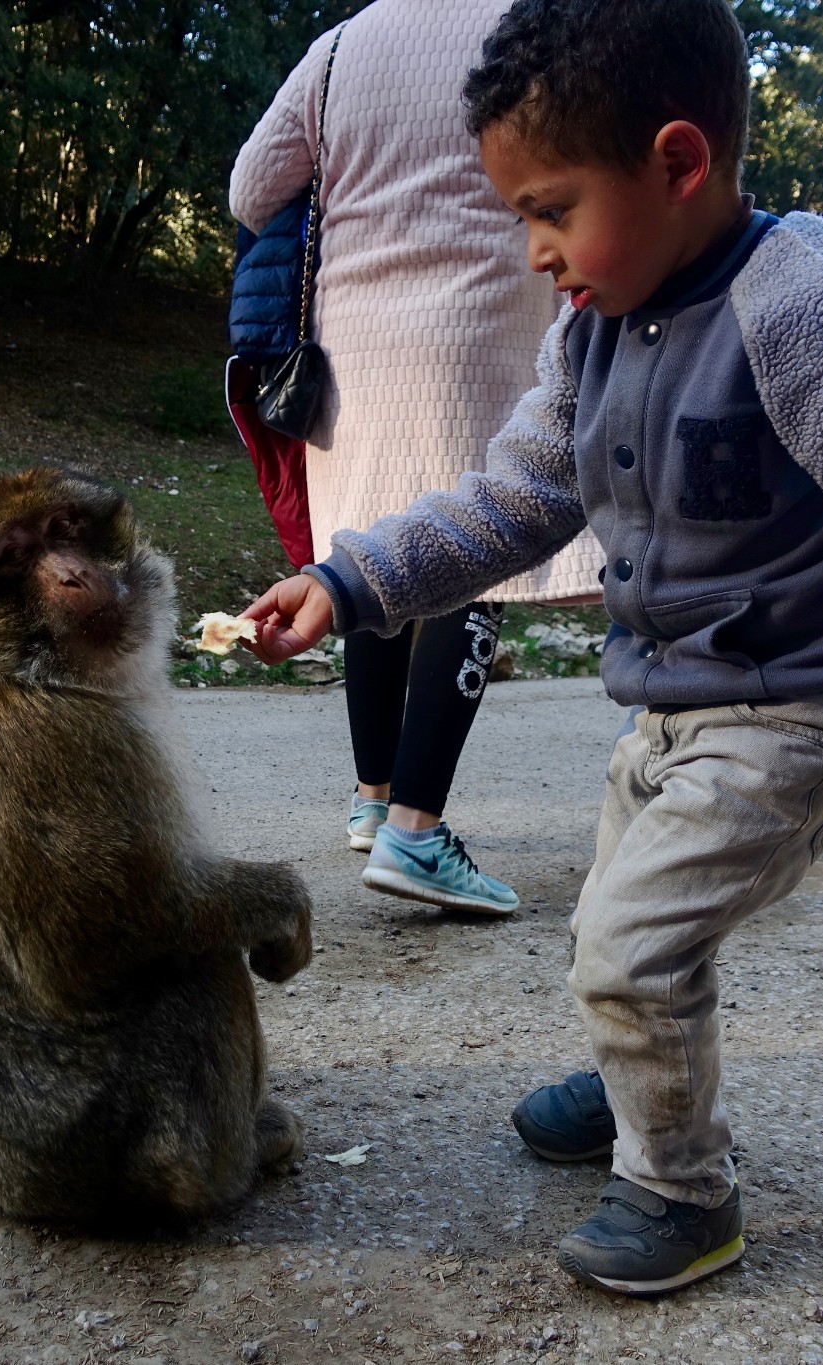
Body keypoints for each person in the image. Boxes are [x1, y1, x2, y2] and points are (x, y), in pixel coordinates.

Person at [244, 0, 823, 1296]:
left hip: (805, 708)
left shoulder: (815, 314)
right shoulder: (595, 329)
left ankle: (682, 1190)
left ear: (679, 164)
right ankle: (642, 1078)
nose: (533, 250)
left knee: (631, 942)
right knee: (617, 934)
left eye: (551, 210)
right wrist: (351, 579)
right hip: (675, 704)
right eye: (517, 215)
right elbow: (512, 499)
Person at [229, 0, 602, 916]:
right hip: (484, 322)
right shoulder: (536, 29)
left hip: (351, 346)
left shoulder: (339, 48)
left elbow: (250, 189)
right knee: (467, 556)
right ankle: (418, 829)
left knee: (372, 553)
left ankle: (373, 797)